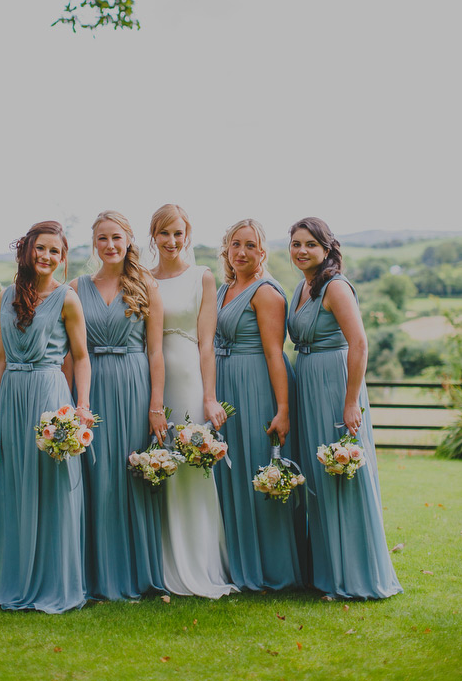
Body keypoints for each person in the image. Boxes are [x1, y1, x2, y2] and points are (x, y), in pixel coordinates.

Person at [287, 216, 402, 600]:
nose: (302, 251)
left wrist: (351, 400)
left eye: (310, 245)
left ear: (327, 248)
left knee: (342, 475)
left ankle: (354, 577)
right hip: (308, 384)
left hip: (336, 386)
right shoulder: (302, 288)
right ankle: (326, 574)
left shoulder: (335, 287)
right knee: (318, 479)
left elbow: (359, 343)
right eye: (296, 244)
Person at [0, 220, 93, 612]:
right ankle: (15, 582)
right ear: (28, 251)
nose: (46, 256)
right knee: (17, 488)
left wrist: (80, 409)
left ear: (63, 259)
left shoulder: (67, 299)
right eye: (41, 248)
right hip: (13, 396)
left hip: (50, 395)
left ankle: (55, 584)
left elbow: (81, 358)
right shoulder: (6, 295)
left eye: (55, 251)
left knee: (53, 488)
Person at [71, 211, 166, 599]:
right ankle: (95, 577)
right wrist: (73, 401)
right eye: (102, 239)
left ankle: (137, 574)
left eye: (116, 238)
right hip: (91, 385)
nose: (110, 245)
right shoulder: (77, 287)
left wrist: (155, 405)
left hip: (133, 382)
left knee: (130, 475)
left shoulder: (146, 284)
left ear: (128, 241)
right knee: (96, 478)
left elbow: (156, 351)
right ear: (94, 244)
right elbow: (71, 353)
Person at [149, 203, 236, 598]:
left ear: (188, 235)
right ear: (154, 235)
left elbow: (207, 344)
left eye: (178, 233)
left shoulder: (202, 277)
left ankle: (198, 562)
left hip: (186, 374)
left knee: (189, 463)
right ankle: (160, 561)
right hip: (148, 378)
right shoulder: (143, 278)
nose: (171, 241)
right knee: (157, 462)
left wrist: (209, 396)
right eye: (164, 233)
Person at [213, 218, 303, 591]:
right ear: (227, 249)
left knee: (257, 470)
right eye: (236, 244)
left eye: (251, 245)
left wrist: (282, 409)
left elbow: (274, 354)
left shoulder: (266, 292)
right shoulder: (223, 289)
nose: (243, 252)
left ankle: (273, 568)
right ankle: (238, 562)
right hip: (225, 385)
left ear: (262, 251)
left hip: (256, 388)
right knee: (230, 475)